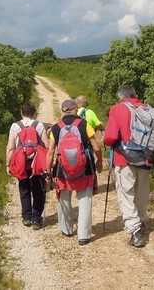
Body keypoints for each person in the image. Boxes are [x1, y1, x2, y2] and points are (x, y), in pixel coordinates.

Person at [103, 84, 154, 248]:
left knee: (126, 193)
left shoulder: (117, 109)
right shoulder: (148, 109)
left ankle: (135, 230)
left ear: (121, 97)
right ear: (136, 94)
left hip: (124, 159)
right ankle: (141, 221)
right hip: (146, 158)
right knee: (142, 192)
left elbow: (110, 137)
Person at [46, 99, 103, 245]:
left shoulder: (56, 127)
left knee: (64, 198)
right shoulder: (84, 124)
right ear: (76, 110)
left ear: (63, 111)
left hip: (63, 169)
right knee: (85, 200)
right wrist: (99, 161)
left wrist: (49, 171)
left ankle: (66, 229)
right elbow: (96, 147)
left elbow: (51, 151)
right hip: (85, 168)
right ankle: (83, 236)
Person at [6, 102, 49, 230]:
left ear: (21, 112)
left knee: (24, 189)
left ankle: (26, 217)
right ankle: (36, 219)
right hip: (37, 164)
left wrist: (8, 164)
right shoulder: (39, 125)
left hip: (21, 163)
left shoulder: (15, 126)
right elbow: (46, 145)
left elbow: (11, 147)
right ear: (34, 113)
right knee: (38, 190)